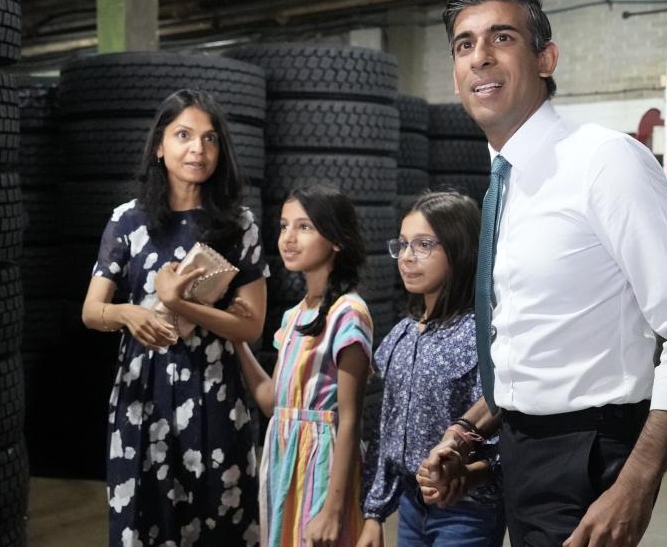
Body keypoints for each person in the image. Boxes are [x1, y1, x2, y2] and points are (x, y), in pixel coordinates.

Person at [416, 0, 667, 547]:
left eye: (501, 37)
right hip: (519, 450)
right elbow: (533, 345)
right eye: (464, 45)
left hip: (589, 456)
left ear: (545, 58)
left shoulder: (604, 162)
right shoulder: (504, 185)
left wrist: (637, 481)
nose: (480, 56)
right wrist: (468, 436)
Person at [81, 89, 267, 546]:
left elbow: (251, 326)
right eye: (183, 135)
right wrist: (126, 314)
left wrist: (182, 303)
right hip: (143, 394)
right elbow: (91, 311)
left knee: (219, 522)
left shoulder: (238, 224)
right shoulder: (127, 221)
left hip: (216, 392)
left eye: (209, 139)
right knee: (146, 521)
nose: (197, 149)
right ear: (159, 146)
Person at [357, 191, 504, 547]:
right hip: (411, 505)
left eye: (424, 245)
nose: (407, 257)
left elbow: (509, 432)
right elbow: (385, 431)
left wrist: (469, 475)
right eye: (403, 244)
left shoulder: (483, 335)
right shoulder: (402, 335)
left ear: (459, 250)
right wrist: (373, 513)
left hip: (468, 511)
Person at [229, 184, 373, 547]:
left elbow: (351, 418)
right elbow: (272, 402)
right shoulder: (294, 316)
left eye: (304, 227)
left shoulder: (348, 314)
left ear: (336, 240)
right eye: (283, 226)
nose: (289, 238)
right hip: (284, 460)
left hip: (322, 465)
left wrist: (333, 509)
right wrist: (236, 339)